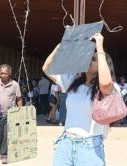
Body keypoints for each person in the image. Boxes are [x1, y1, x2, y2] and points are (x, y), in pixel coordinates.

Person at [43, 33, 115, 166]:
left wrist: (99, 47)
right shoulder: (73, 82)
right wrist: (60, 47)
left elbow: (105, 83)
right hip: (65, 143)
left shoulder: (106, 88)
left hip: (90, 146)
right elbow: (47, 68)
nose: (89, 60)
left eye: (93, 59)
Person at [0, 64, 22, 164]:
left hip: (10, 114)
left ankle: (4, 154)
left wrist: (20, 112)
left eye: (5, 73)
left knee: (7, 134)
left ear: (9, 73)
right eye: (1, 73)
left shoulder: (15, 85)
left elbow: (19, 99)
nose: (3, 75)